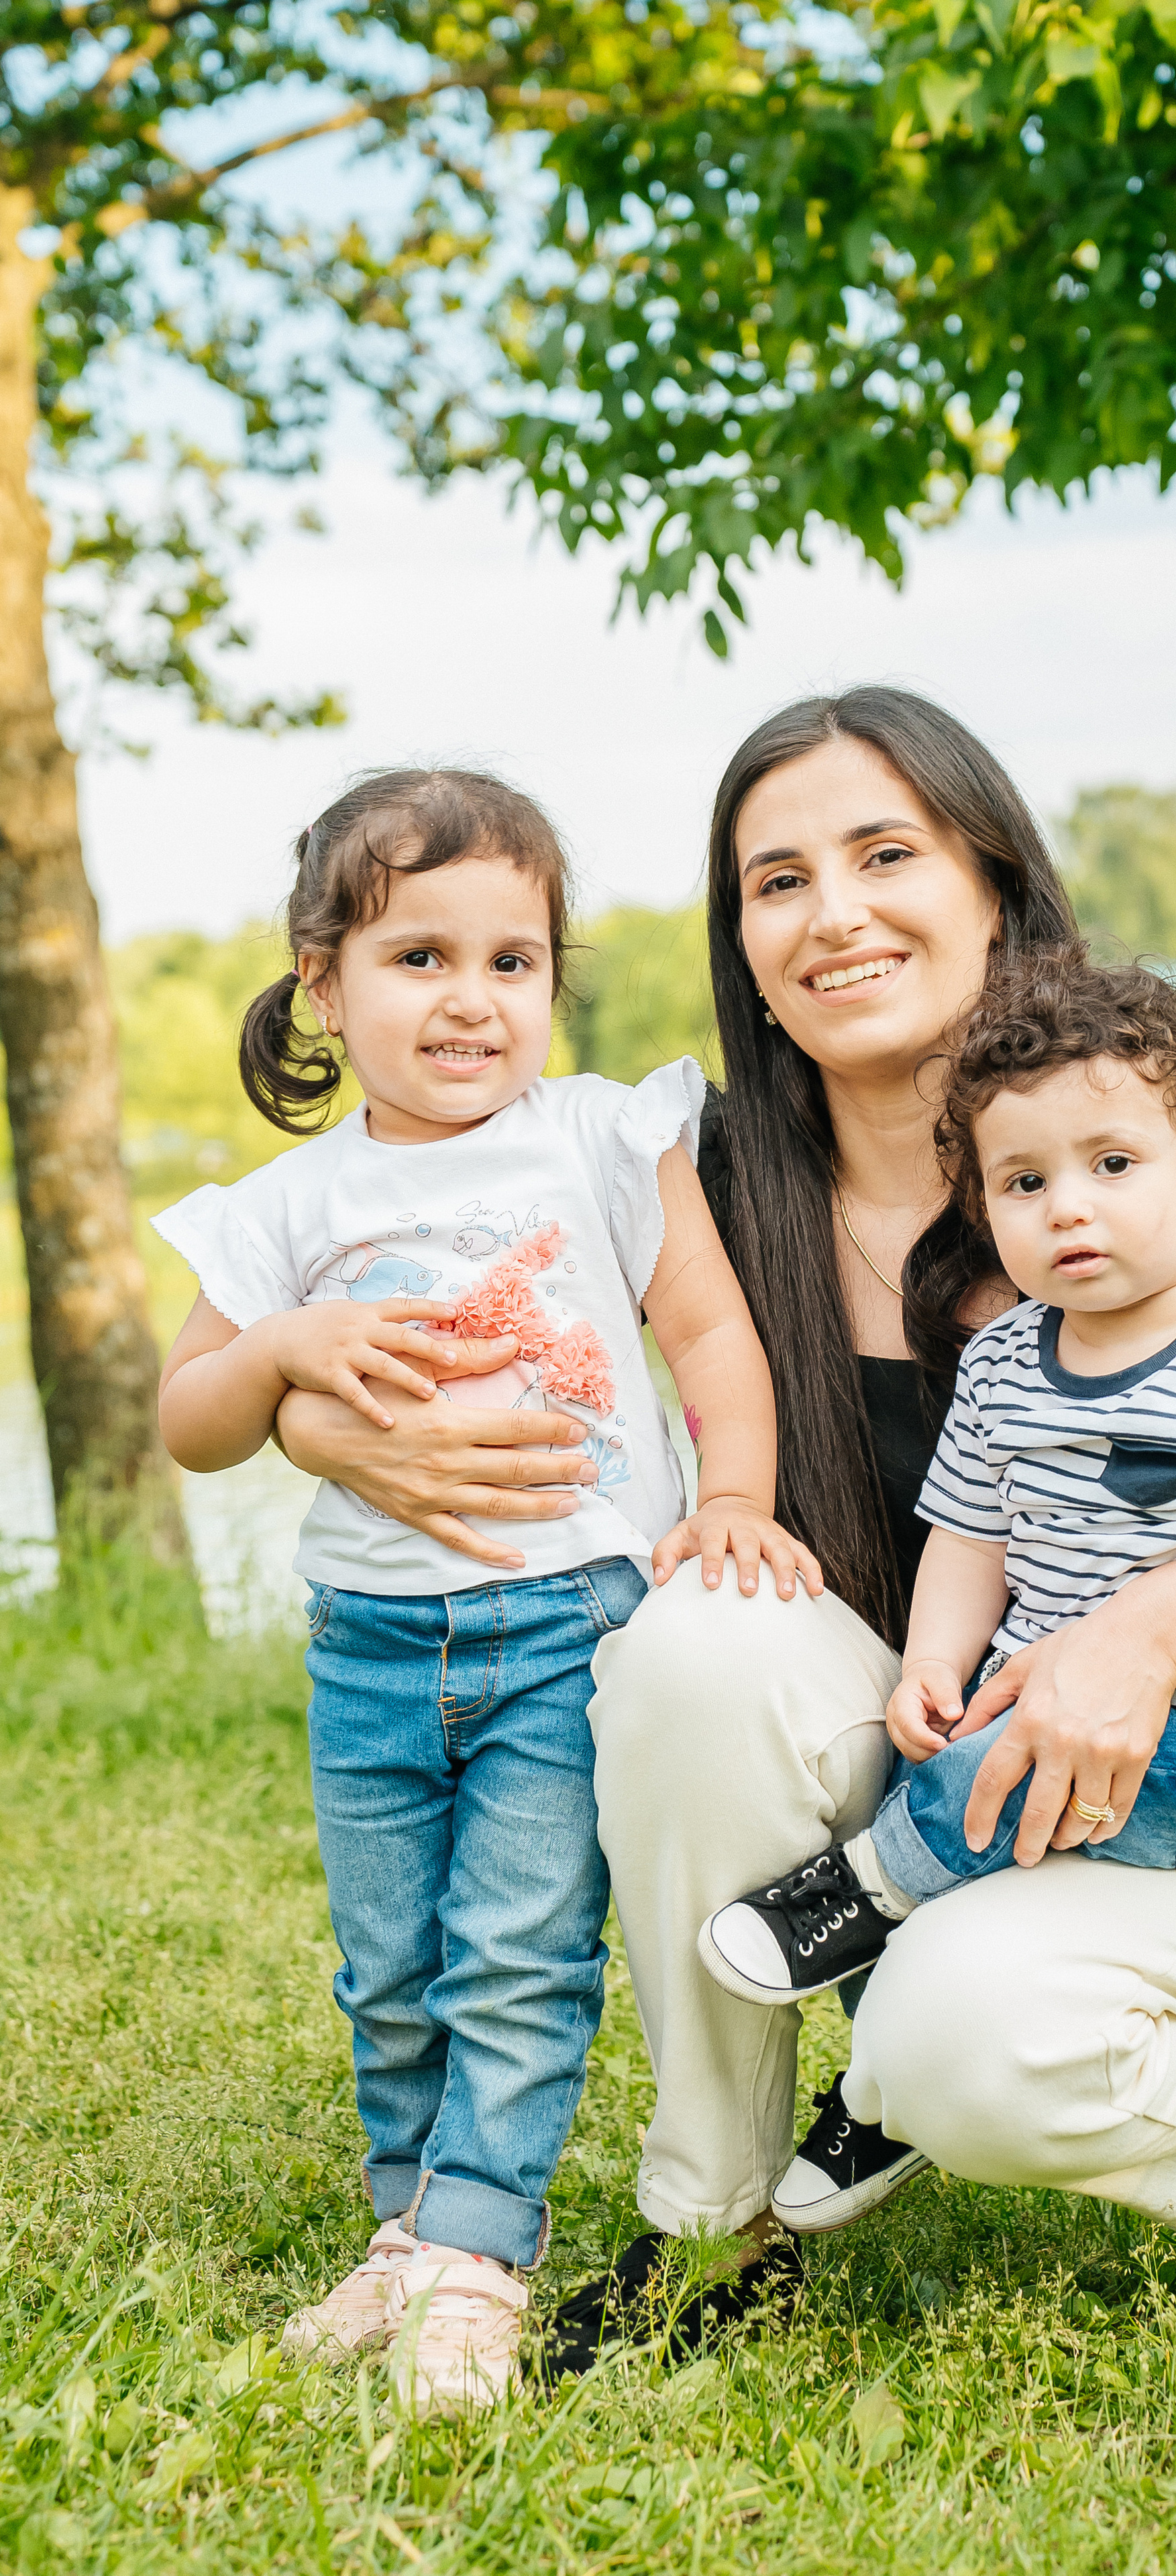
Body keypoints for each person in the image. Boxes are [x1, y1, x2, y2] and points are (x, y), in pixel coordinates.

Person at [267, 692, 1176, 2365]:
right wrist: (314, 1414)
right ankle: (717, 2229)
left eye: (886, 855)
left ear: (991, 886)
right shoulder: (696, 1173)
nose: (834, 915)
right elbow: (406, 1289)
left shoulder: (1114, 1157)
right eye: (777, 879)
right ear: (740, 942)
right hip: (910, 1746)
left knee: (960, 2056)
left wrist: (1156, 1626)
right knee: (690, 1643)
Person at [152, 768, 817, 2417]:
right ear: (322, 980)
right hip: (370, 1647)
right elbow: (192, 1422)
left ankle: (480, 2255)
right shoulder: (285, 1209)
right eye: (419, 959)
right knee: (389, 1963)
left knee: (513, 1947)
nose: (472, 1002)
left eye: (511, 963)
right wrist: (289, 1349)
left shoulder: (600, 1134)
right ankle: (409, 2233)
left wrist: (729, 1494)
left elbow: (712, 1338)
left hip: (566, 1625)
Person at [696, 944, 1176, 2018]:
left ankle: (862, 1894)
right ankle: (885, 2085)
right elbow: (968, 1538)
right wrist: (936, 1667)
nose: (1069, 1208)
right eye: (1026, 1182)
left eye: (1115, 1166)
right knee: (948, 1752)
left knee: (980, 1784)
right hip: (1029, 1702)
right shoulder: (1002, 1362)